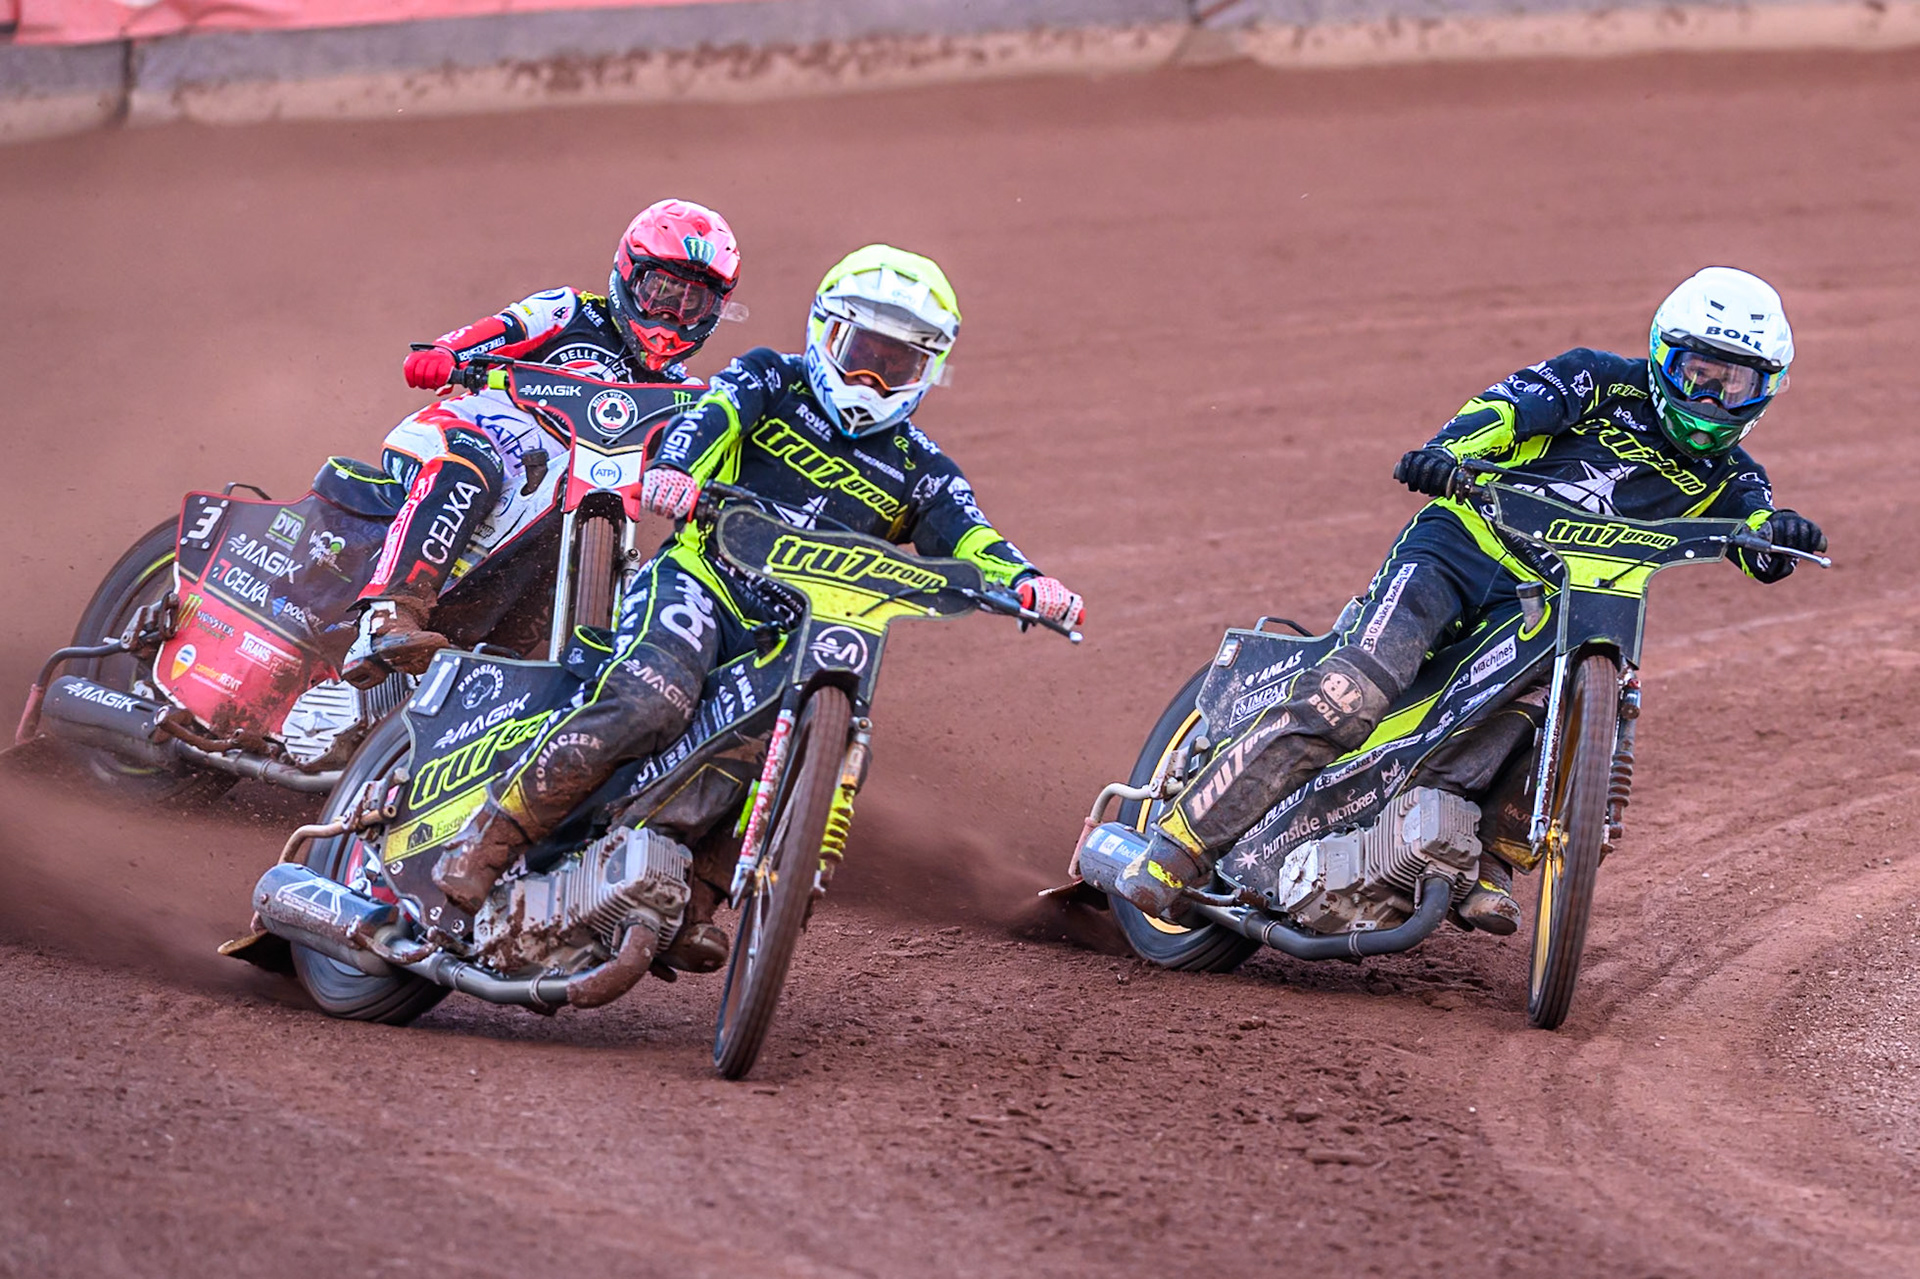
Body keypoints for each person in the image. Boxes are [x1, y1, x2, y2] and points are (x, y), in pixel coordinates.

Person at [1109, 266, 1827, 932]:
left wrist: (1780, 535)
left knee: (1548, 705)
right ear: (1663, 355)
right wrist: (1449, 450)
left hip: (1547, 601)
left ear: (1766, 391)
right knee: (1352, 695)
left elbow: (1757, 536)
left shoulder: (1734, 476)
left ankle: (1485, 855)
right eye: (1697, 373)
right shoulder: (1599, 379)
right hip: (1460, 547)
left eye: (1734, 385)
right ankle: (1177, 846)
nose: (1710, 399)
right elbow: (1506, 411)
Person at [430, 243, 1086, 971]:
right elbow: (709, 418)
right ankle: (489, 840)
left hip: (793, 635)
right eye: (862, 353)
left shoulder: (919, 467)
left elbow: (972, 536)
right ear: (826, 332)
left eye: (896, 364)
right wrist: (676, 470)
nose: (871, 378)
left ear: (926, 371)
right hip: (701, 583)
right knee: (652, 696)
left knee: (781, 740)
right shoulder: (772, 378)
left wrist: (1030, 583)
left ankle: (696, 899)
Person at [334, 198, 743, 687]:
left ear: (713, 311)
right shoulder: (570, 310)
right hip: (462, 434)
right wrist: (445, 354)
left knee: (567, 538)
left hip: (555, 491)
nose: (670, 313)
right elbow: (500, 330)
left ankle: (488, 678)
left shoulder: (683, 393)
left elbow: (703, 455)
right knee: (469, 466)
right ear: (628, 275)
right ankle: (385, 615)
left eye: (691, 303)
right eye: (660, 291)